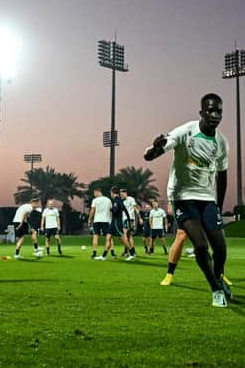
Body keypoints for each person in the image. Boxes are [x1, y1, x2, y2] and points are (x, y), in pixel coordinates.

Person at [144, 93, 230, 307]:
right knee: (200, 246)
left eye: (218, 111)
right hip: (182, 196)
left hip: (207, 198)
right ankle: (215, 289)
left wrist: (218, 207)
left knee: (220, 248)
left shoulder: (221, 142)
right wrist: (155, 149)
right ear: (201, 112)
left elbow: (222, 177)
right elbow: (153, 154)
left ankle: (218, 275)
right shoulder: (186, 131)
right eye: (210, 110)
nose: (215, 115)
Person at [96, 187, 133, 261]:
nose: (110, 194)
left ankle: (132, 253)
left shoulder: (116, 201)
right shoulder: (120, 200)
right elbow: (125, 210)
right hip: (114, 223)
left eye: (110, 193)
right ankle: (104, 256)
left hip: (116, 223)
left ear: (112, 193)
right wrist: (129, 220)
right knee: (108, 238)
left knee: (122, 239)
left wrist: (110, 208)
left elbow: (115, 211)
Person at [88, 187, 115, 259]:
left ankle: (94, 253)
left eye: (94, 193)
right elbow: (111, 211)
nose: (94, 195)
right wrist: (111, 220)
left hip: (97, 221)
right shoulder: (108, 200)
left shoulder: (95, 200)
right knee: (109, 238)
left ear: (97, 192)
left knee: (95, 236)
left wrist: (89, 220)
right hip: (106, 221)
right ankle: (112, 253)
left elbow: (92, 211)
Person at [120, 189, 141, 257]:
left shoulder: (131, 199)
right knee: (129, 236)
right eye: (121, 195)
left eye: (123, 194)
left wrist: (140, 217)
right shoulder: (122, 201)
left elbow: (135, 208)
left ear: (126, 193)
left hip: (128, 219)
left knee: (124, 235)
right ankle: (129, 251)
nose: (122, 196)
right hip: (125, 219)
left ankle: (129, 252)